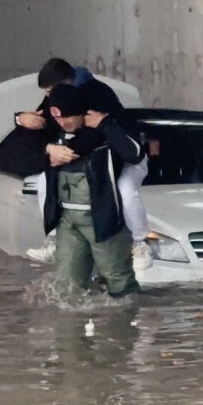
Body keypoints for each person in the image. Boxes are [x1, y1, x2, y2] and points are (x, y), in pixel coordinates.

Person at [15, 58, 153, 272]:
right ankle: (53, 239)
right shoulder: (61, 96)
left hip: (122, 154)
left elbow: (100, 136)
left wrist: (68, 153)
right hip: (94, 160)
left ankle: (140, 243)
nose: (47, 98)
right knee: (44, 182)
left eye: (49, 91)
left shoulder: (98, 94)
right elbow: (40, 123)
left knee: (125, 190)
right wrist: (21, 119)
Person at [41, 83, 144, 298]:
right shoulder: (54, 135)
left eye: (66, 117)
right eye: (58, 119)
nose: (62, 123)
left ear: (82, 114)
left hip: (102, 220)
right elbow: (21, 148)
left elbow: (134, 153)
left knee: (120, 284)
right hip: (67, 222)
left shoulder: (102, 135)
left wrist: (106, 123)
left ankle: (126, 327)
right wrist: (48, 149)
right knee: (66, 288)